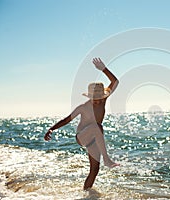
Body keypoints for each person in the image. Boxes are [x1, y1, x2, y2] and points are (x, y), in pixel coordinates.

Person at [44, 57, 120, 190]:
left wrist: (103, 69)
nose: (97, 101)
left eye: (99, 99)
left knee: (94, 170)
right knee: (97, 127)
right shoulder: (83, 107)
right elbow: (67, 120)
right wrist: (51, 129)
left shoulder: (104, 99)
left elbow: (115, 81)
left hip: (94, 139)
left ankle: (86, 194)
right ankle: (107, 159)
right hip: (82, 136)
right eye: (94, 99)